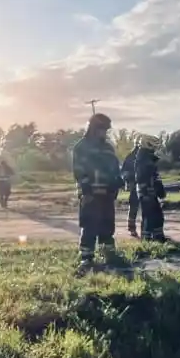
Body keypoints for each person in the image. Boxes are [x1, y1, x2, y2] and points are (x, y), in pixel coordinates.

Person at [71, 112, 124, 272]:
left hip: (107, 194)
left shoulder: (108, 147)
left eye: (106, 130)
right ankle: (86, 258)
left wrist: (117, 181)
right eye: (102, 129)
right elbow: (79, 170)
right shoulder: (81, 147)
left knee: (107, 224)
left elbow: (114, 166)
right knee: (89, 225)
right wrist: (86, 189)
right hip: (90, 194)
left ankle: (108, 253)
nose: (104, 133)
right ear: (93, 128)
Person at [134, 137, 169, 241]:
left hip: (149, 191)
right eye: (154, 146)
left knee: (157, 215)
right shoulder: (144, 160)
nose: (155, 149)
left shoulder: (145, 158)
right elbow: (148, 177)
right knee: (149, 216)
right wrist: (158, 190)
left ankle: (157, 236)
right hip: (146, 192)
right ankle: (147, 238)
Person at [121, 138, 142, 237]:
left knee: (134, 206)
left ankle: (133, 227)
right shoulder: (132, 156)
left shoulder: (136, 156)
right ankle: (132, 227)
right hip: (136, 184)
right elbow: (124, 171)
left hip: (140, 183)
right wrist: (129, 181)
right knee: (135, 206)